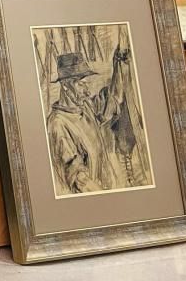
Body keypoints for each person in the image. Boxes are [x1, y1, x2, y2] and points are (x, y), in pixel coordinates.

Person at [45, 48, 148, 195]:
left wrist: (118, 64)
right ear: (66, 85)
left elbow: (112, 101)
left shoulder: (86, 106)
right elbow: (78, 178)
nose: (87, 91)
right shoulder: (57, 124)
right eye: (81, 84)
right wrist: (107, 198)